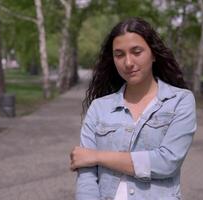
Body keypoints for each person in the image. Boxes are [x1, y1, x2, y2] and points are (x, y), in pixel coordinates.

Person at [70, 17, 196, 200]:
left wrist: (97, 156)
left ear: (153, 54)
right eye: (119, 55)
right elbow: (86, 173)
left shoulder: (180, 101)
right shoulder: (99, 107)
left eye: (136, 52)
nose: (128, 62)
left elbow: (167, 162)